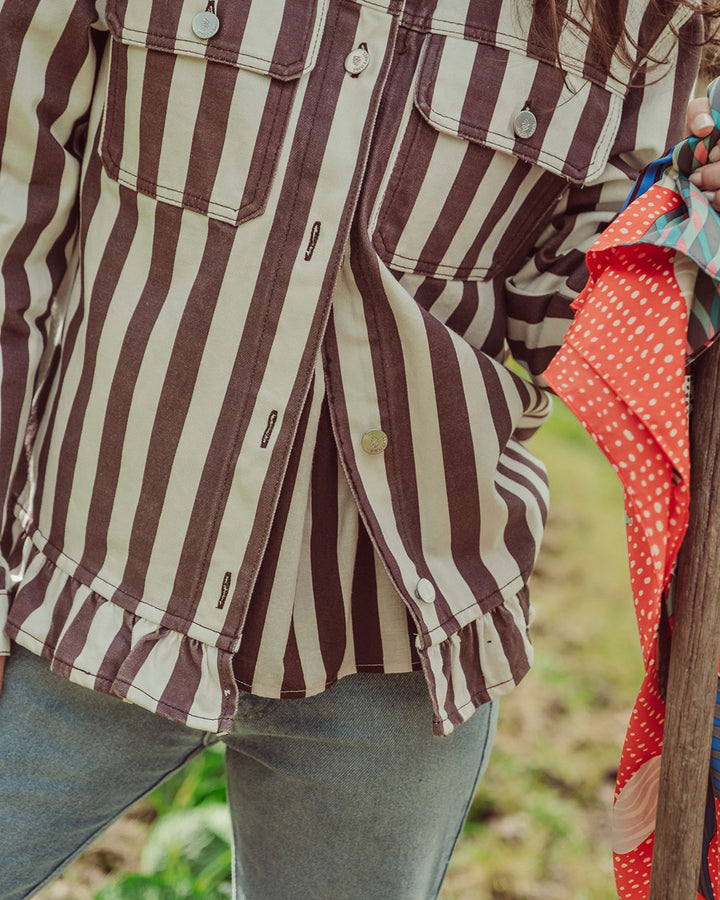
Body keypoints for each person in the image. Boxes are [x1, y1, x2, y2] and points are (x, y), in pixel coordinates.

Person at [0, 1, 714, 898]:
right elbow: (11, 226)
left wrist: (691, 220)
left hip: (398, 647)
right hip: (74, 599)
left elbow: (590, 316)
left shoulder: (636, 17)